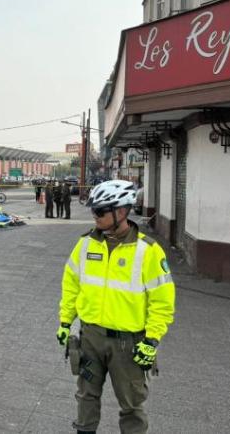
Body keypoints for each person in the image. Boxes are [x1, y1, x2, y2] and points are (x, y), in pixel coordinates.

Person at [56, 179, 175, 434]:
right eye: (93, 211)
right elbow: (71, 285)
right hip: (91, 337)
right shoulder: (85, 244)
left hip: (129, 343)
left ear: (121, 211)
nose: (95, 216)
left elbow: (163, 301)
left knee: (132, 406)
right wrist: (66, 322)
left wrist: (152, 339)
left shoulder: (148, 251)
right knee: (86, 396)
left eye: (100, 211)